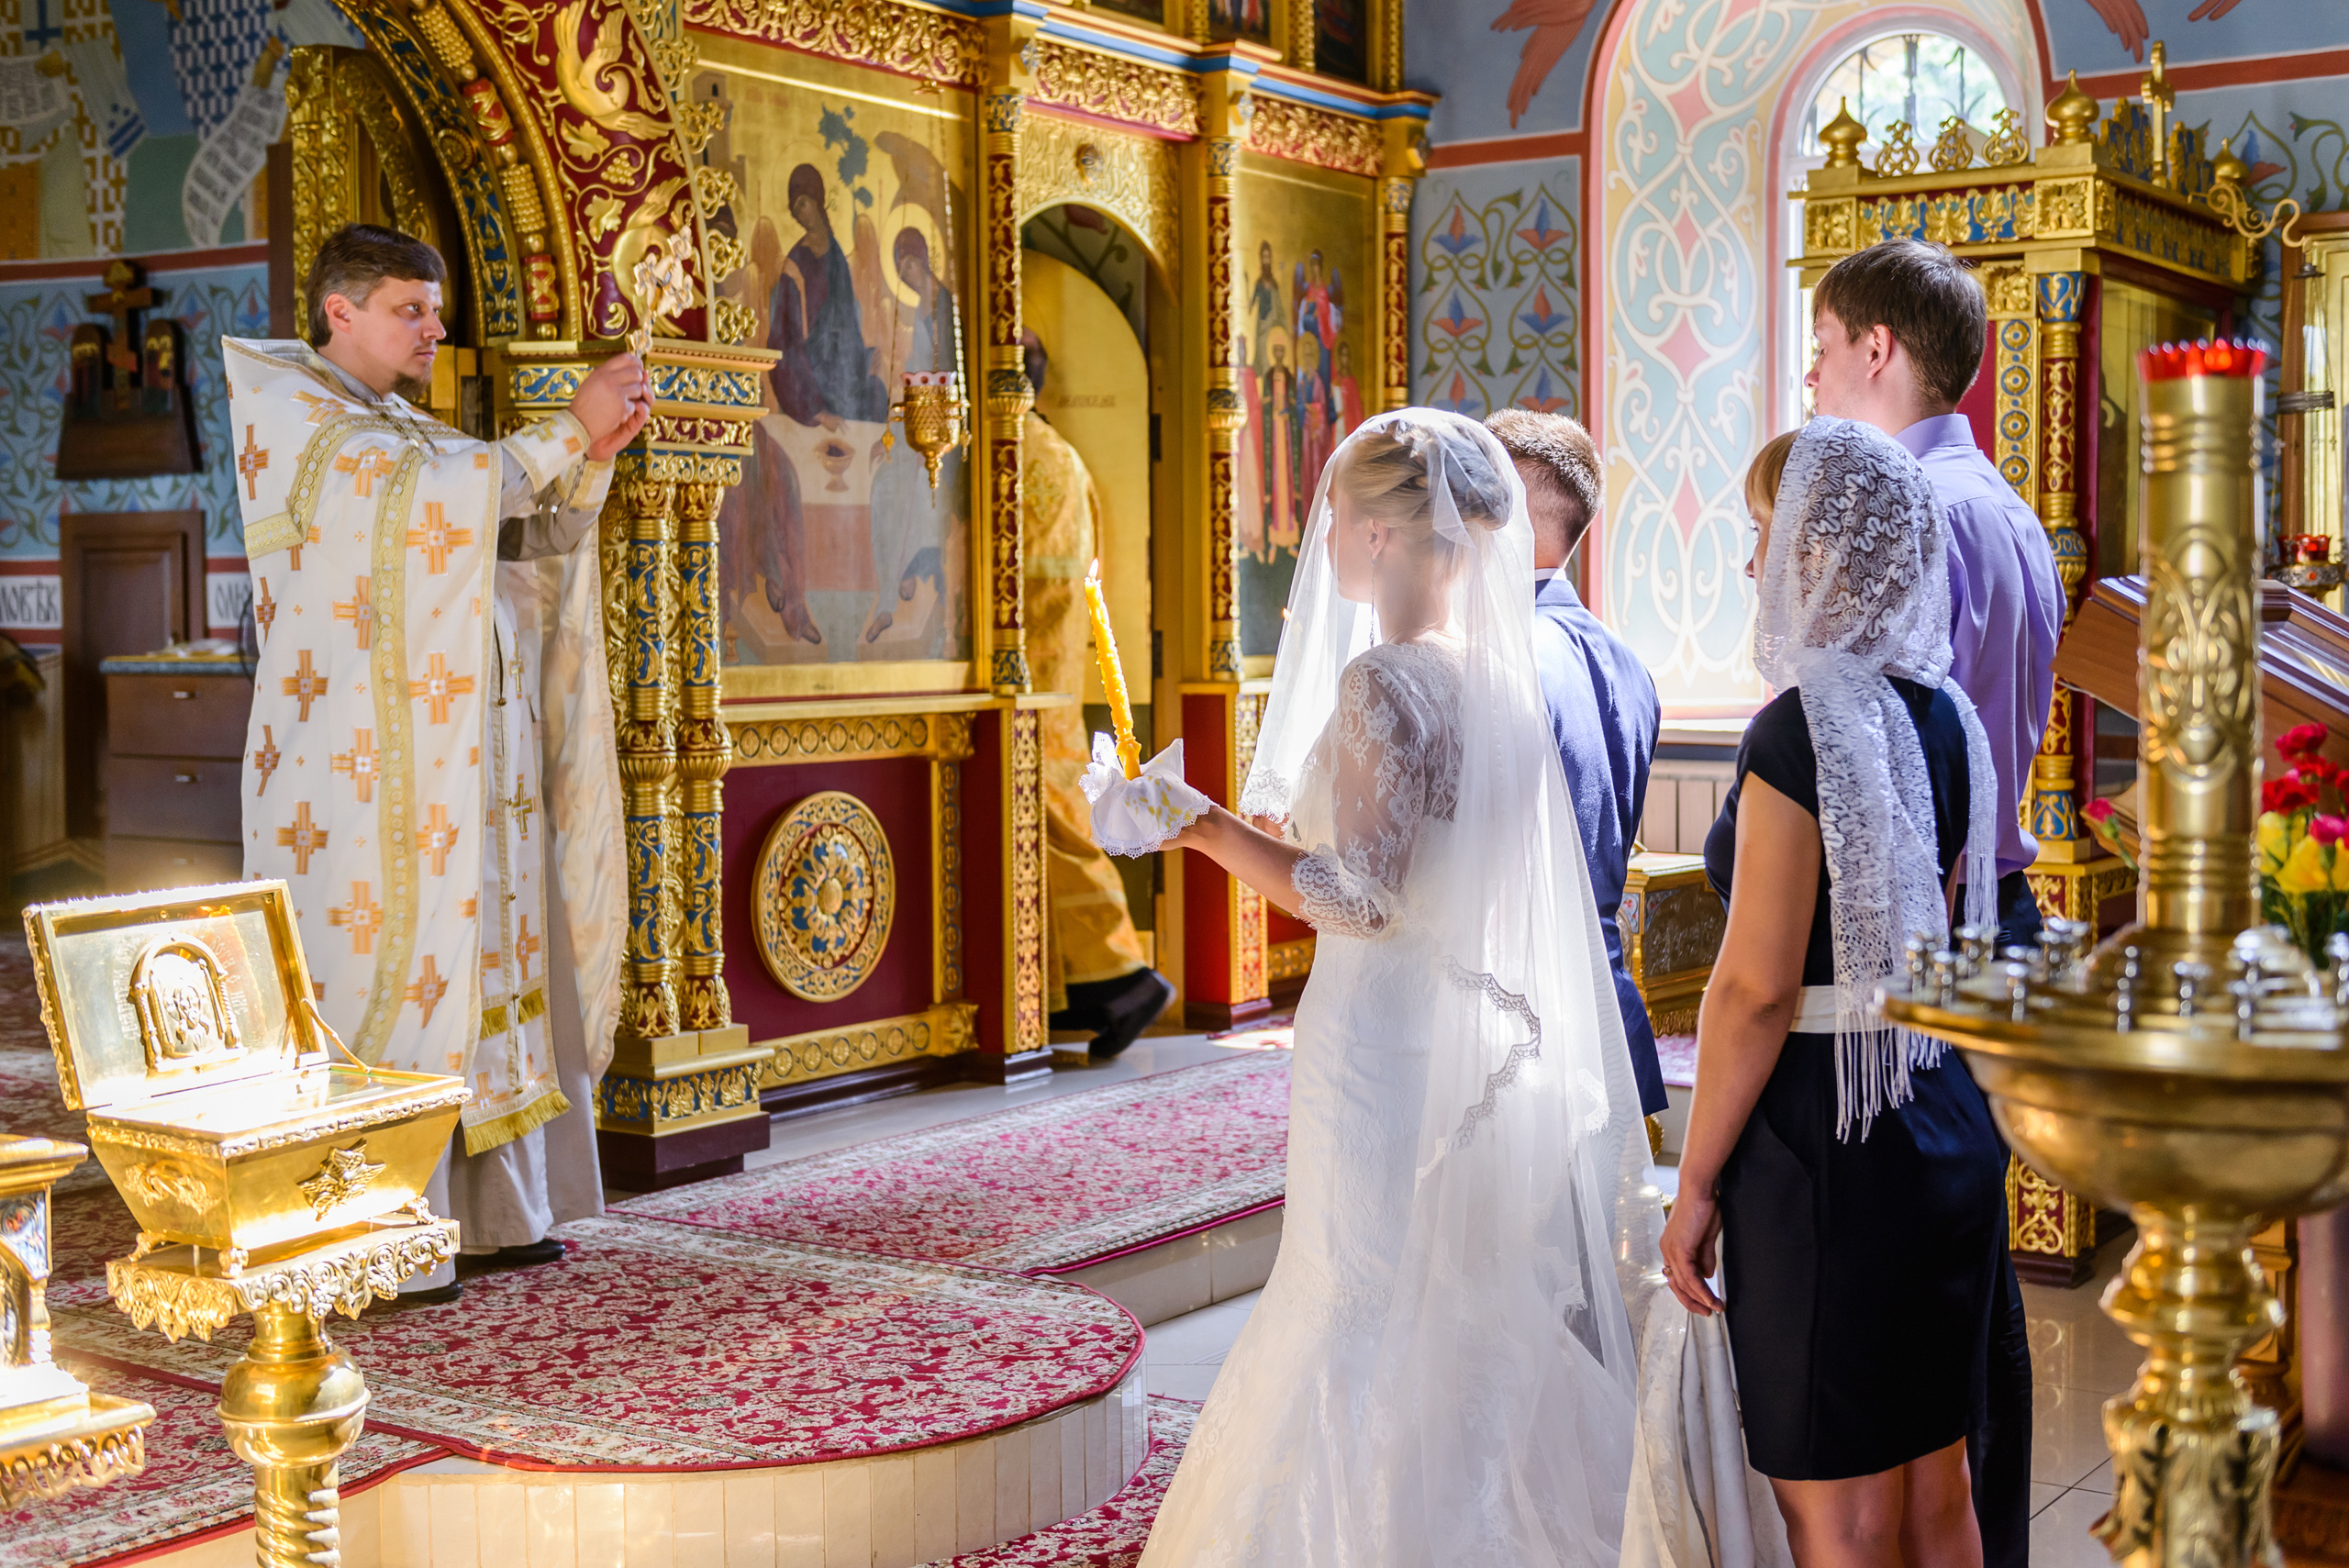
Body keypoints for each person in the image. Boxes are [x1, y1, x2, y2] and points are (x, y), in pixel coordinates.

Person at [1107, 409, 1658, 1564]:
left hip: (1377, 1041)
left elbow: (1360, 900)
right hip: (1463, 1035)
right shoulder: (1501, 683)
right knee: (1445, 1310)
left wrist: (1198, 826)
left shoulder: (1383, 682)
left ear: (1377, 533)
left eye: (1336, 517)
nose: (1327, 541)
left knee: (1354, 1299)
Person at [233, 223, 642, 1303]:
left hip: (456, 763)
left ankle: (494, 1215)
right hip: (356, 783)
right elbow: (438, 500)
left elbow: (504, 548)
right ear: (341, 312)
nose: (433, 327)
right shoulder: (300, 417)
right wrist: (570, 425)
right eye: (411, 308)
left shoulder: (399, 427)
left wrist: (588, 460)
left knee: (478, 972)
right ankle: (384, 1227)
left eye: (434, 309)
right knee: (401, 984)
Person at [1660, 420, 2009, 1568]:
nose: (1753, 565)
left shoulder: (1798, 727)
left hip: (1828, 1136)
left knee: (1837, 1508)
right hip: (1940, 1115)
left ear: (1822, 552)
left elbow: (1756, 990)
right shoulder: (1947, 713)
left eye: (1765, 536)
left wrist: (1696, 1181)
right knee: (1935, 1481)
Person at [1802, 238, 2048, 1568]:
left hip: (1924, 934)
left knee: (1924, 1295)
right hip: (1990, 907)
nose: (1814, 377)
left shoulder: (1906, 505)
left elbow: (1895, 754)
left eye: (1824, 351)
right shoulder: (2003, 503)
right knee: (1966, 1275)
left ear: (1878, 352)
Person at [1487, 408, 1666, 1125]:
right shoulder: (1631, 665)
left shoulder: (1501, 654)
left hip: (1523, 1032)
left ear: (1515, 513)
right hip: (1615, 1022)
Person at [1021, 328, 1174, 1059]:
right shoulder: (1064, 456)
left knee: (1054, 830)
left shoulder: (1004, 452)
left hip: (1011, 672)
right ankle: (1070, 992)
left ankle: (1123, 976)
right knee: (1055, 827)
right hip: (1052, 673)